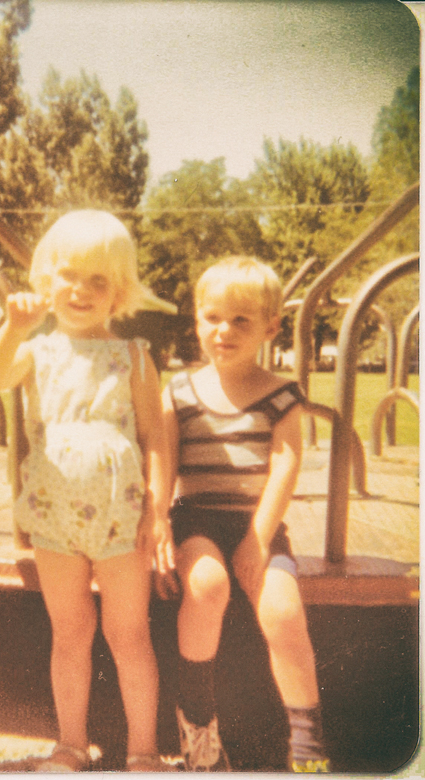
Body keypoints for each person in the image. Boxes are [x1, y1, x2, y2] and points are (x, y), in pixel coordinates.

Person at [0, 210, 173, 772]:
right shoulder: (37, 351)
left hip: (121, 519)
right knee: (70, 633)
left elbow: (156, 440)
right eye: (69, 276)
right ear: (45, 280)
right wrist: (13, 326)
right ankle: (69, 743)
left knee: (129, 633)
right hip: (53, 516)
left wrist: (157, 512)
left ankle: (142, 750)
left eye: (98, 281)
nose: (80, 291)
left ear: (120, 292)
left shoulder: (134, 356)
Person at [159, 256, 330, 772]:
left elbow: (286, 463)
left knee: (283, 610)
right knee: (207, 586)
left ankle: (308, 745)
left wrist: (258, 539)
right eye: (212, 317)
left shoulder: (281, 394)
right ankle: (199, 731)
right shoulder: (180, 390)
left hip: (258, 524)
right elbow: (164, 462)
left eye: (241, 320)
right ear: (196, 320)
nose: (224, 330)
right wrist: (159, 524)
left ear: (270, 327)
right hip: (197, 521)